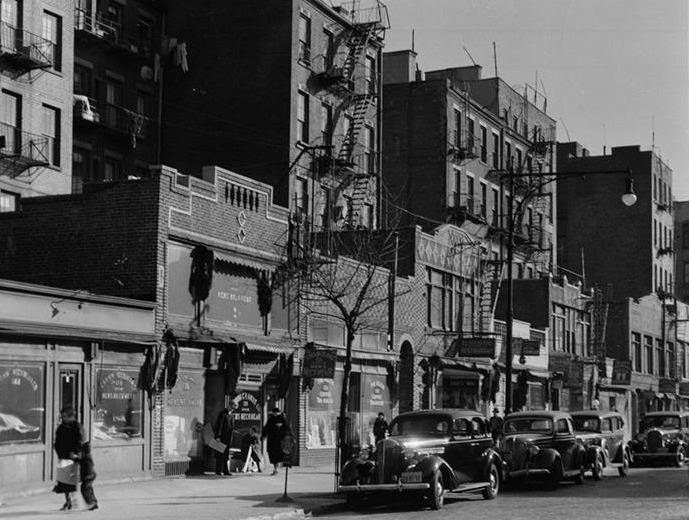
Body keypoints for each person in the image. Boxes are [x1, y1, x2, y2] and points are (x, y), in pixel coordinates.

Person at [53, 406, 98, 511]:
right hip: (64, 457)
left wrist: (76, 453)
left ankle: (85, 502)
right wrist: (59, 452)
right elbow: (58, 441)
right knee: (64, 482)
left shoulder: (77, 426)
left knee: (77, 482)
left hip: (73, 457)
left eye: (64, 416)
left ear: (70, 416)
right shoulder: (61, 427)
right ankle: (69, 502)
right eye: (62, 416)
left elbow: (80, 440)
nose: (62, 418)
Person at [262, 408, 291, 475]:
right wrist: (263, 435)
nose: (275, 414)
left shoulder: (282, 419)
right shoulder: (270, 419)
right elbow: (266, 428)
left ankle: (276, 469)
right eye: (274, 412)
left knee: (278, 454)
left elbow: (287, 428)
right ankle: (275, 469)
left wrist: (285, 434)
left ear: (278, 413)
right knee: (272, 454)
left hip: (280, 440)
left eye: (276, 413)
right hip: (272, 440)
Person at [214, 404, 235, 476]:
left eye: (233, 409)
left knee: (226, 455)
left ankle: (225, 470)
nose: (232, 410)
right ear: (229, 406)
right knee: (220, 454)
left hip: (228, 438)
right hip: (222, 437)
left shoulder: (232, 416)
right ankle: (218, 470)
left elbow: (232, 428)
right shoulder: (222, 414)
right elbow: (219, 425)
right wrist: (218, 436)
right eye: (231, 408)